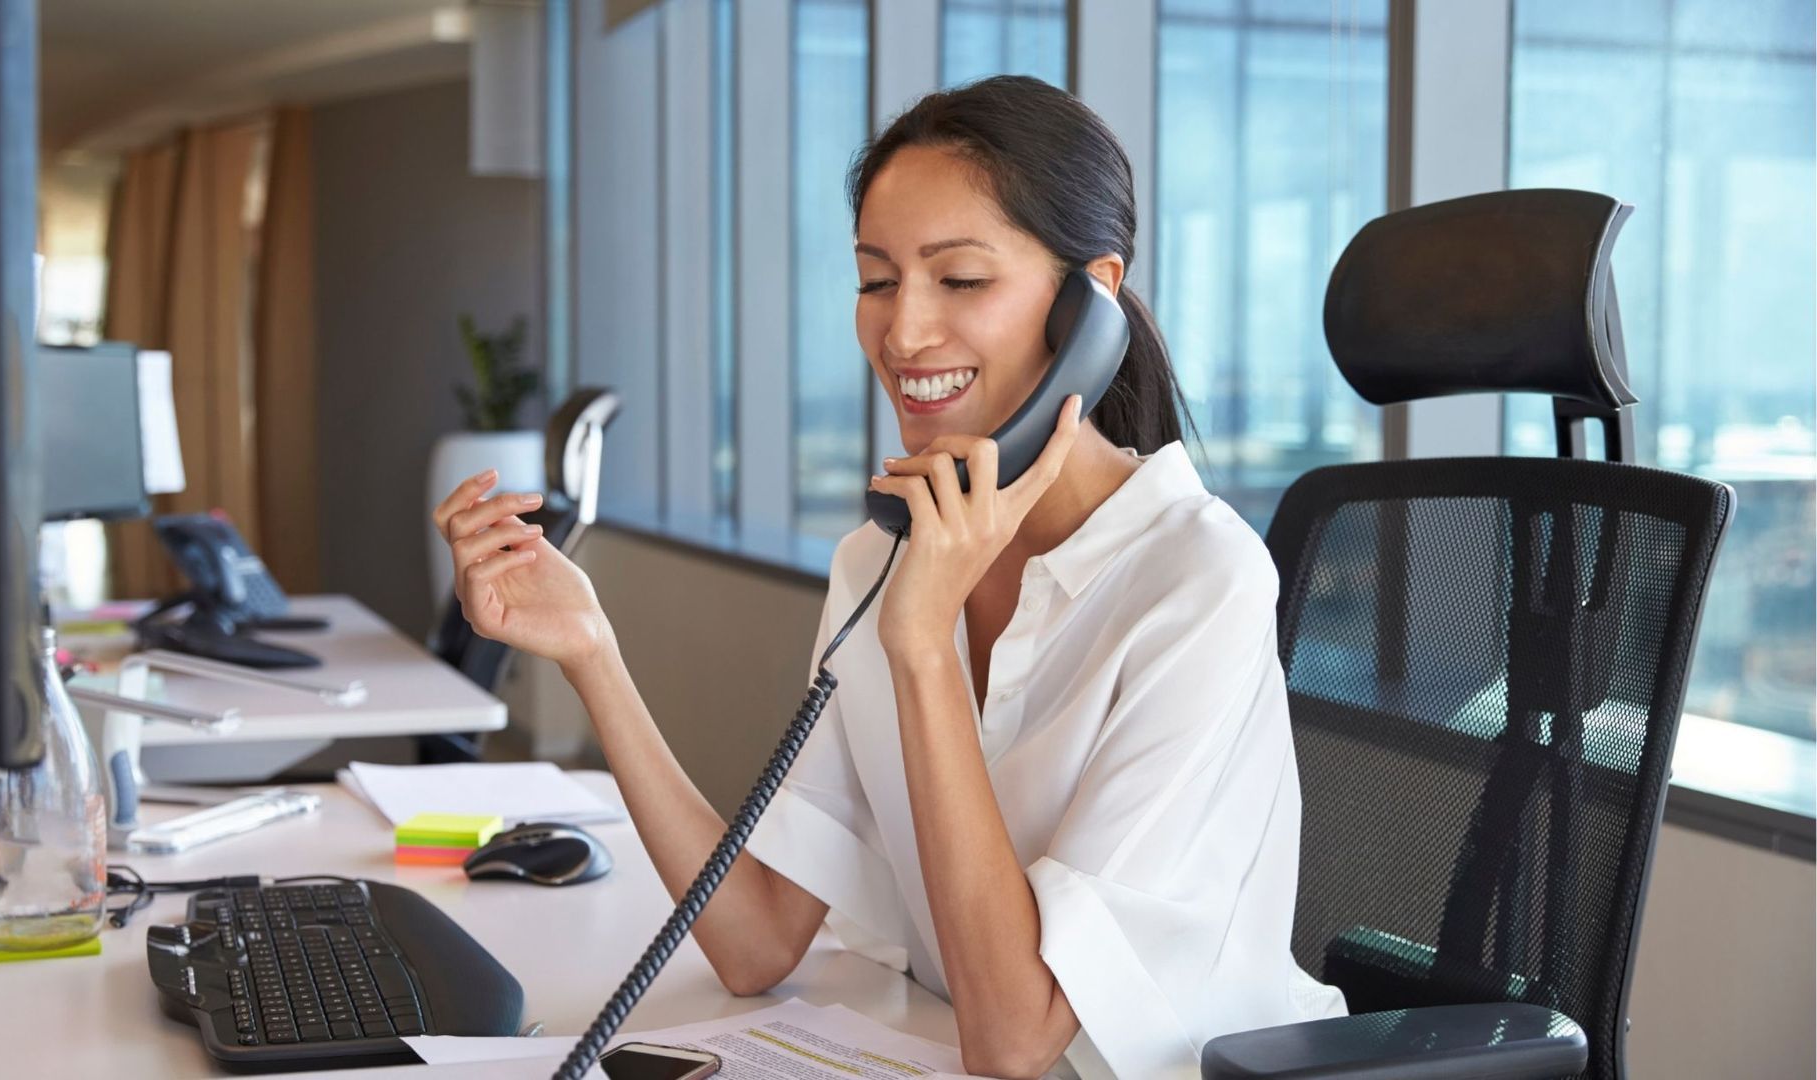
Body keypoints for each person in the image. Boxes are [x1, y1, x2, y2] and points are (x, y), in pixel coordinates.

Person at [431, 75, 1344, 1079]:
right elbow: (755, 940)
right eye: (876, 280)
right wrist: (591, 652)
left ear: (1092, 302)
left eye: (959, 280)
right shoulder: (879, 558)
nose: (903, 333)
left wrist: (921, 649)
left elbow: (1014, 1040)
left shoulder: (1197, 580)